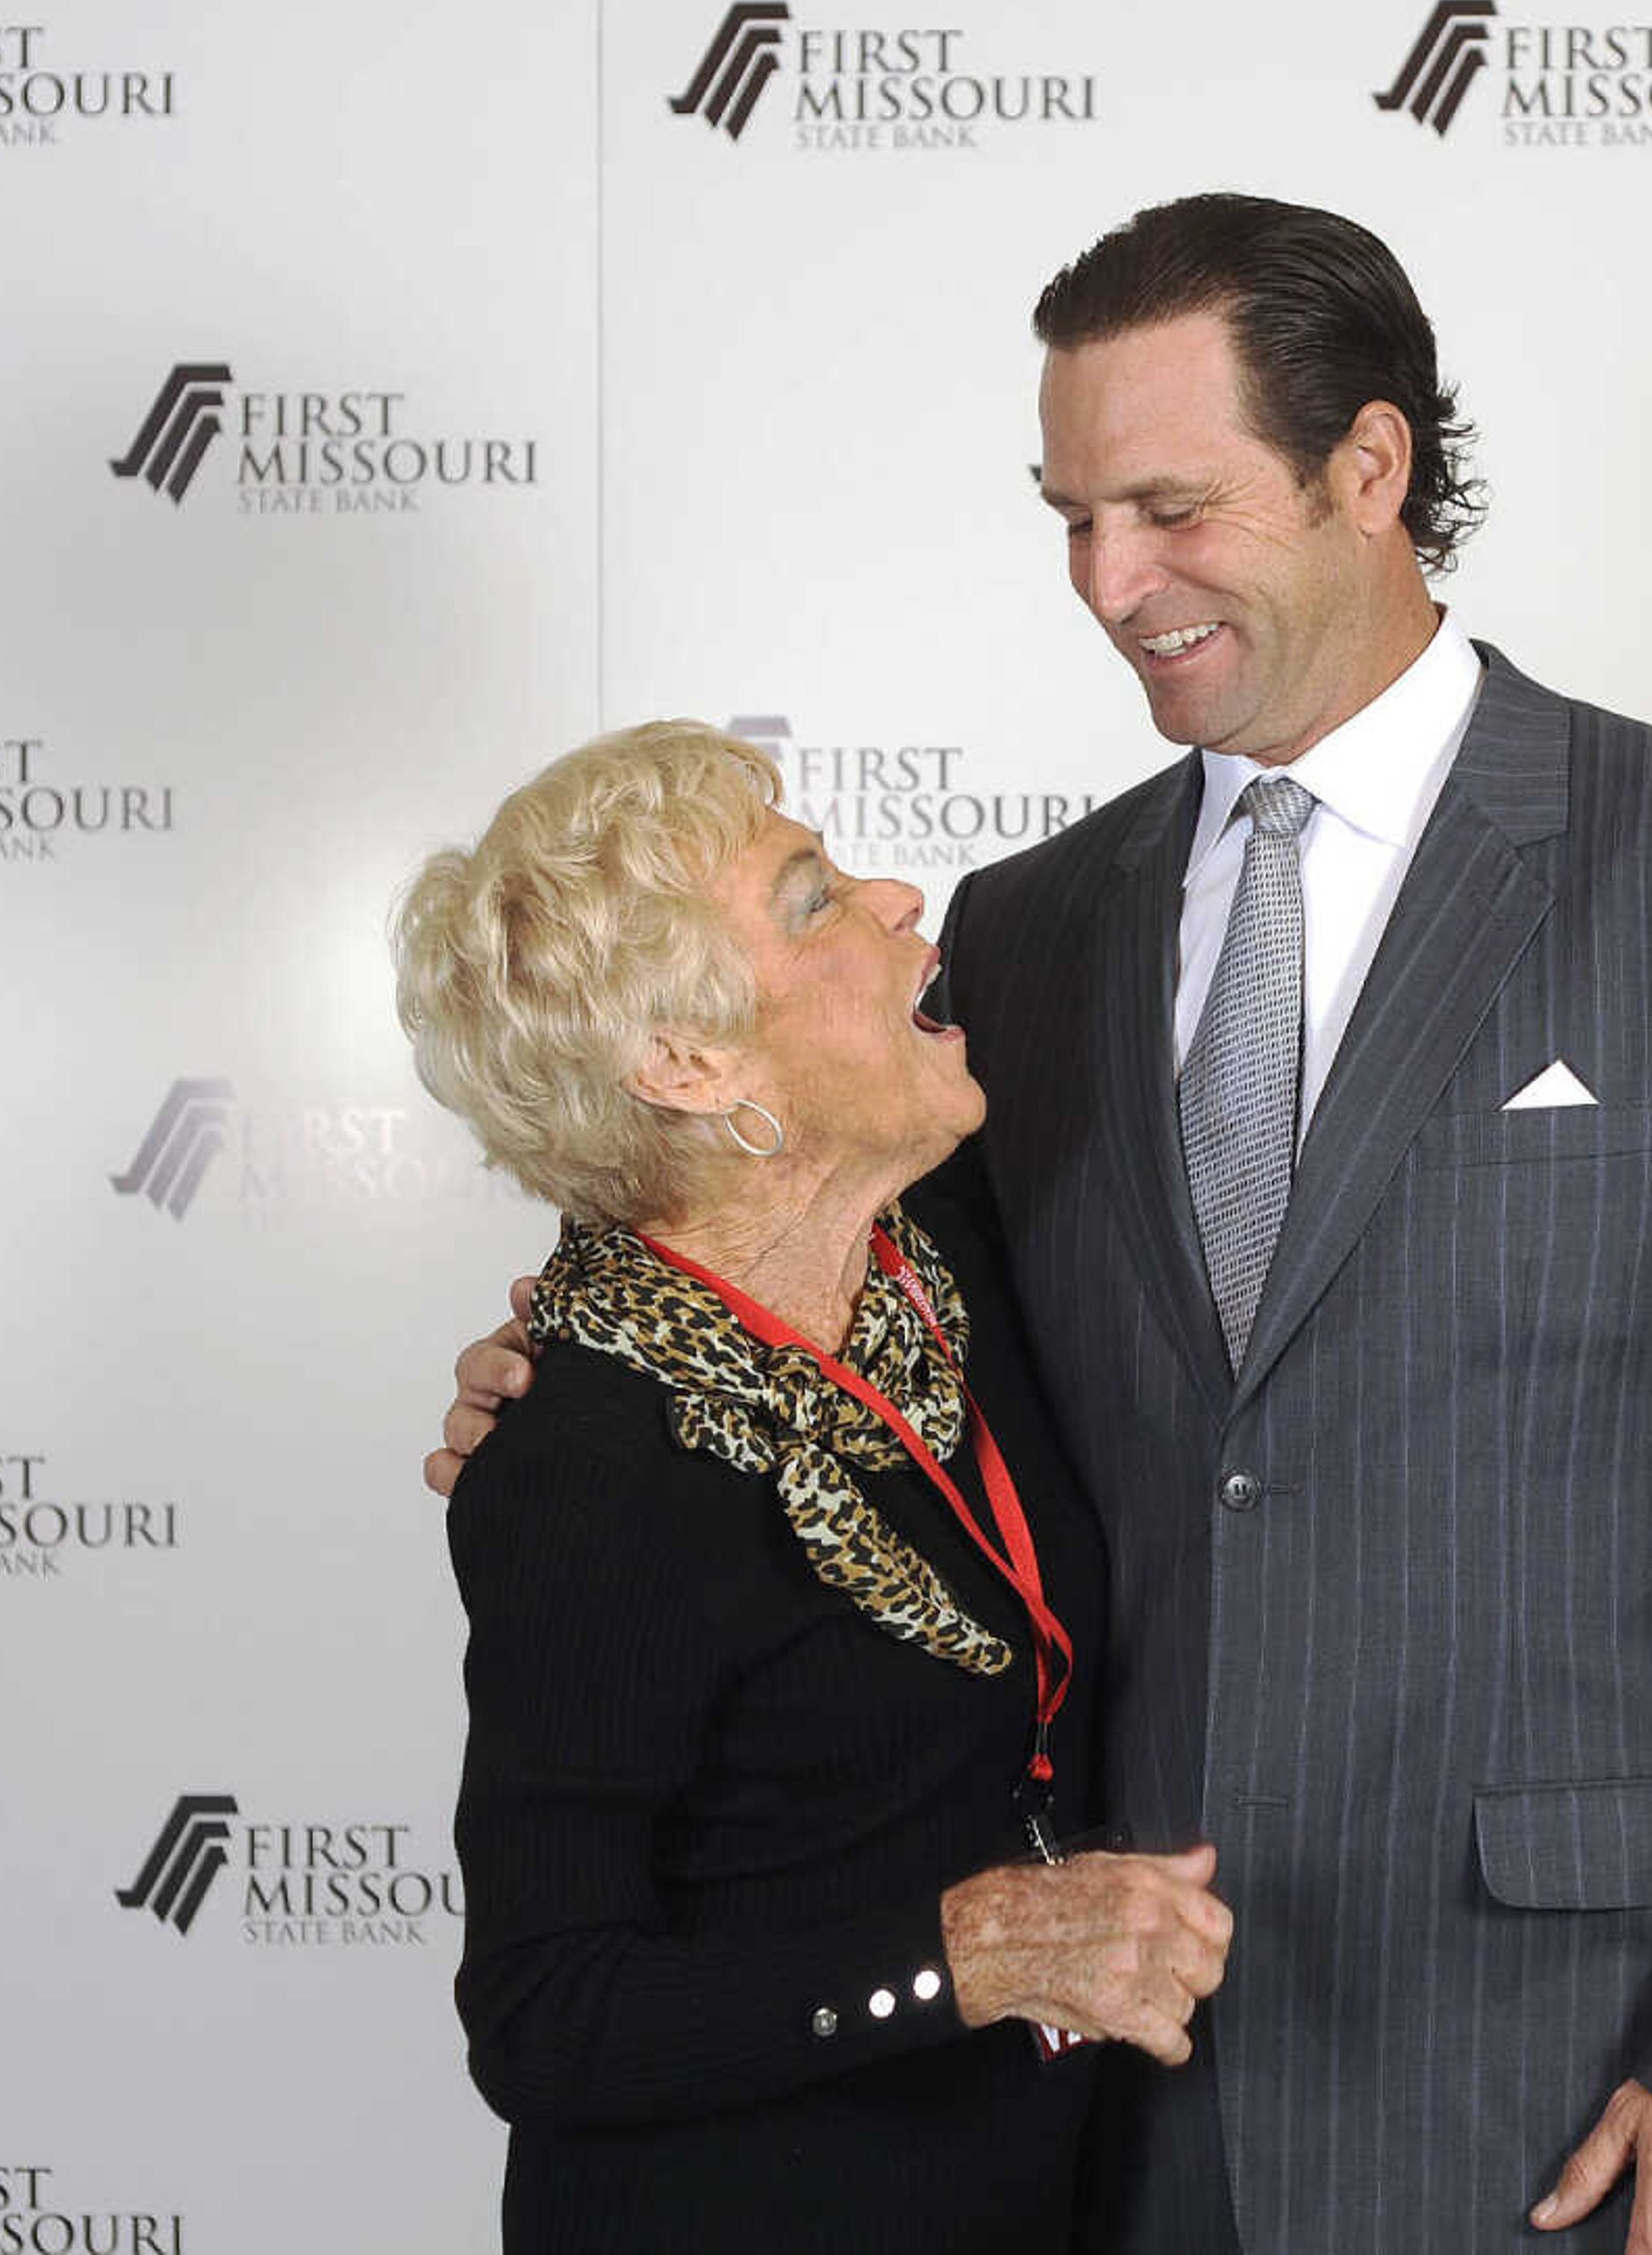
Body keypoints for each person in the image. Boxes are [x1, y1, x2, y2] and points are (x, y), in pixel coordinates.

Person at [437, 196, 1652, 2255]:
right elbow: (875, 1356)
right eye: (1073, 514)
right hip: (1138, 2130)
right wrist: (588, 1367)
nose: (1113, 582)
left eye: (1173, 506)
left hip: (1611, 2103)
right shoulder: (1031, 936)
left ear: (1369, 468)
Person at [393, 720, 1231, 2253]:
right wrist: (962, 1953)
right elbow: (544, 2014)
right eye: (812, 898)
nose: (901, 899)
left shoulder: (948, 1253)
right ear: (691, 1063)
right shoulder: (583, 1462)